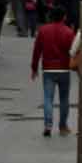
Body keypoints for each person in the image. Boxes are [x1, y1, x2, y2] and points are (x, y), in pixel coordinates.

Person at [31, 9, 75, 137]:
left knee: (48, 98)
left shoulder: (43, 30)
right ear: (64, 17)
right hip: (64, 69)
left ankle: (48, 125)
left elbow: (37, 50)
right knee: (64, 99)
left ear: (50, 17)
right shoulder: (68, 32)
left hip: (48, 69)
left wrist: (34, 68)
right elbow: (72, 51)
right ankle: (62, 126)